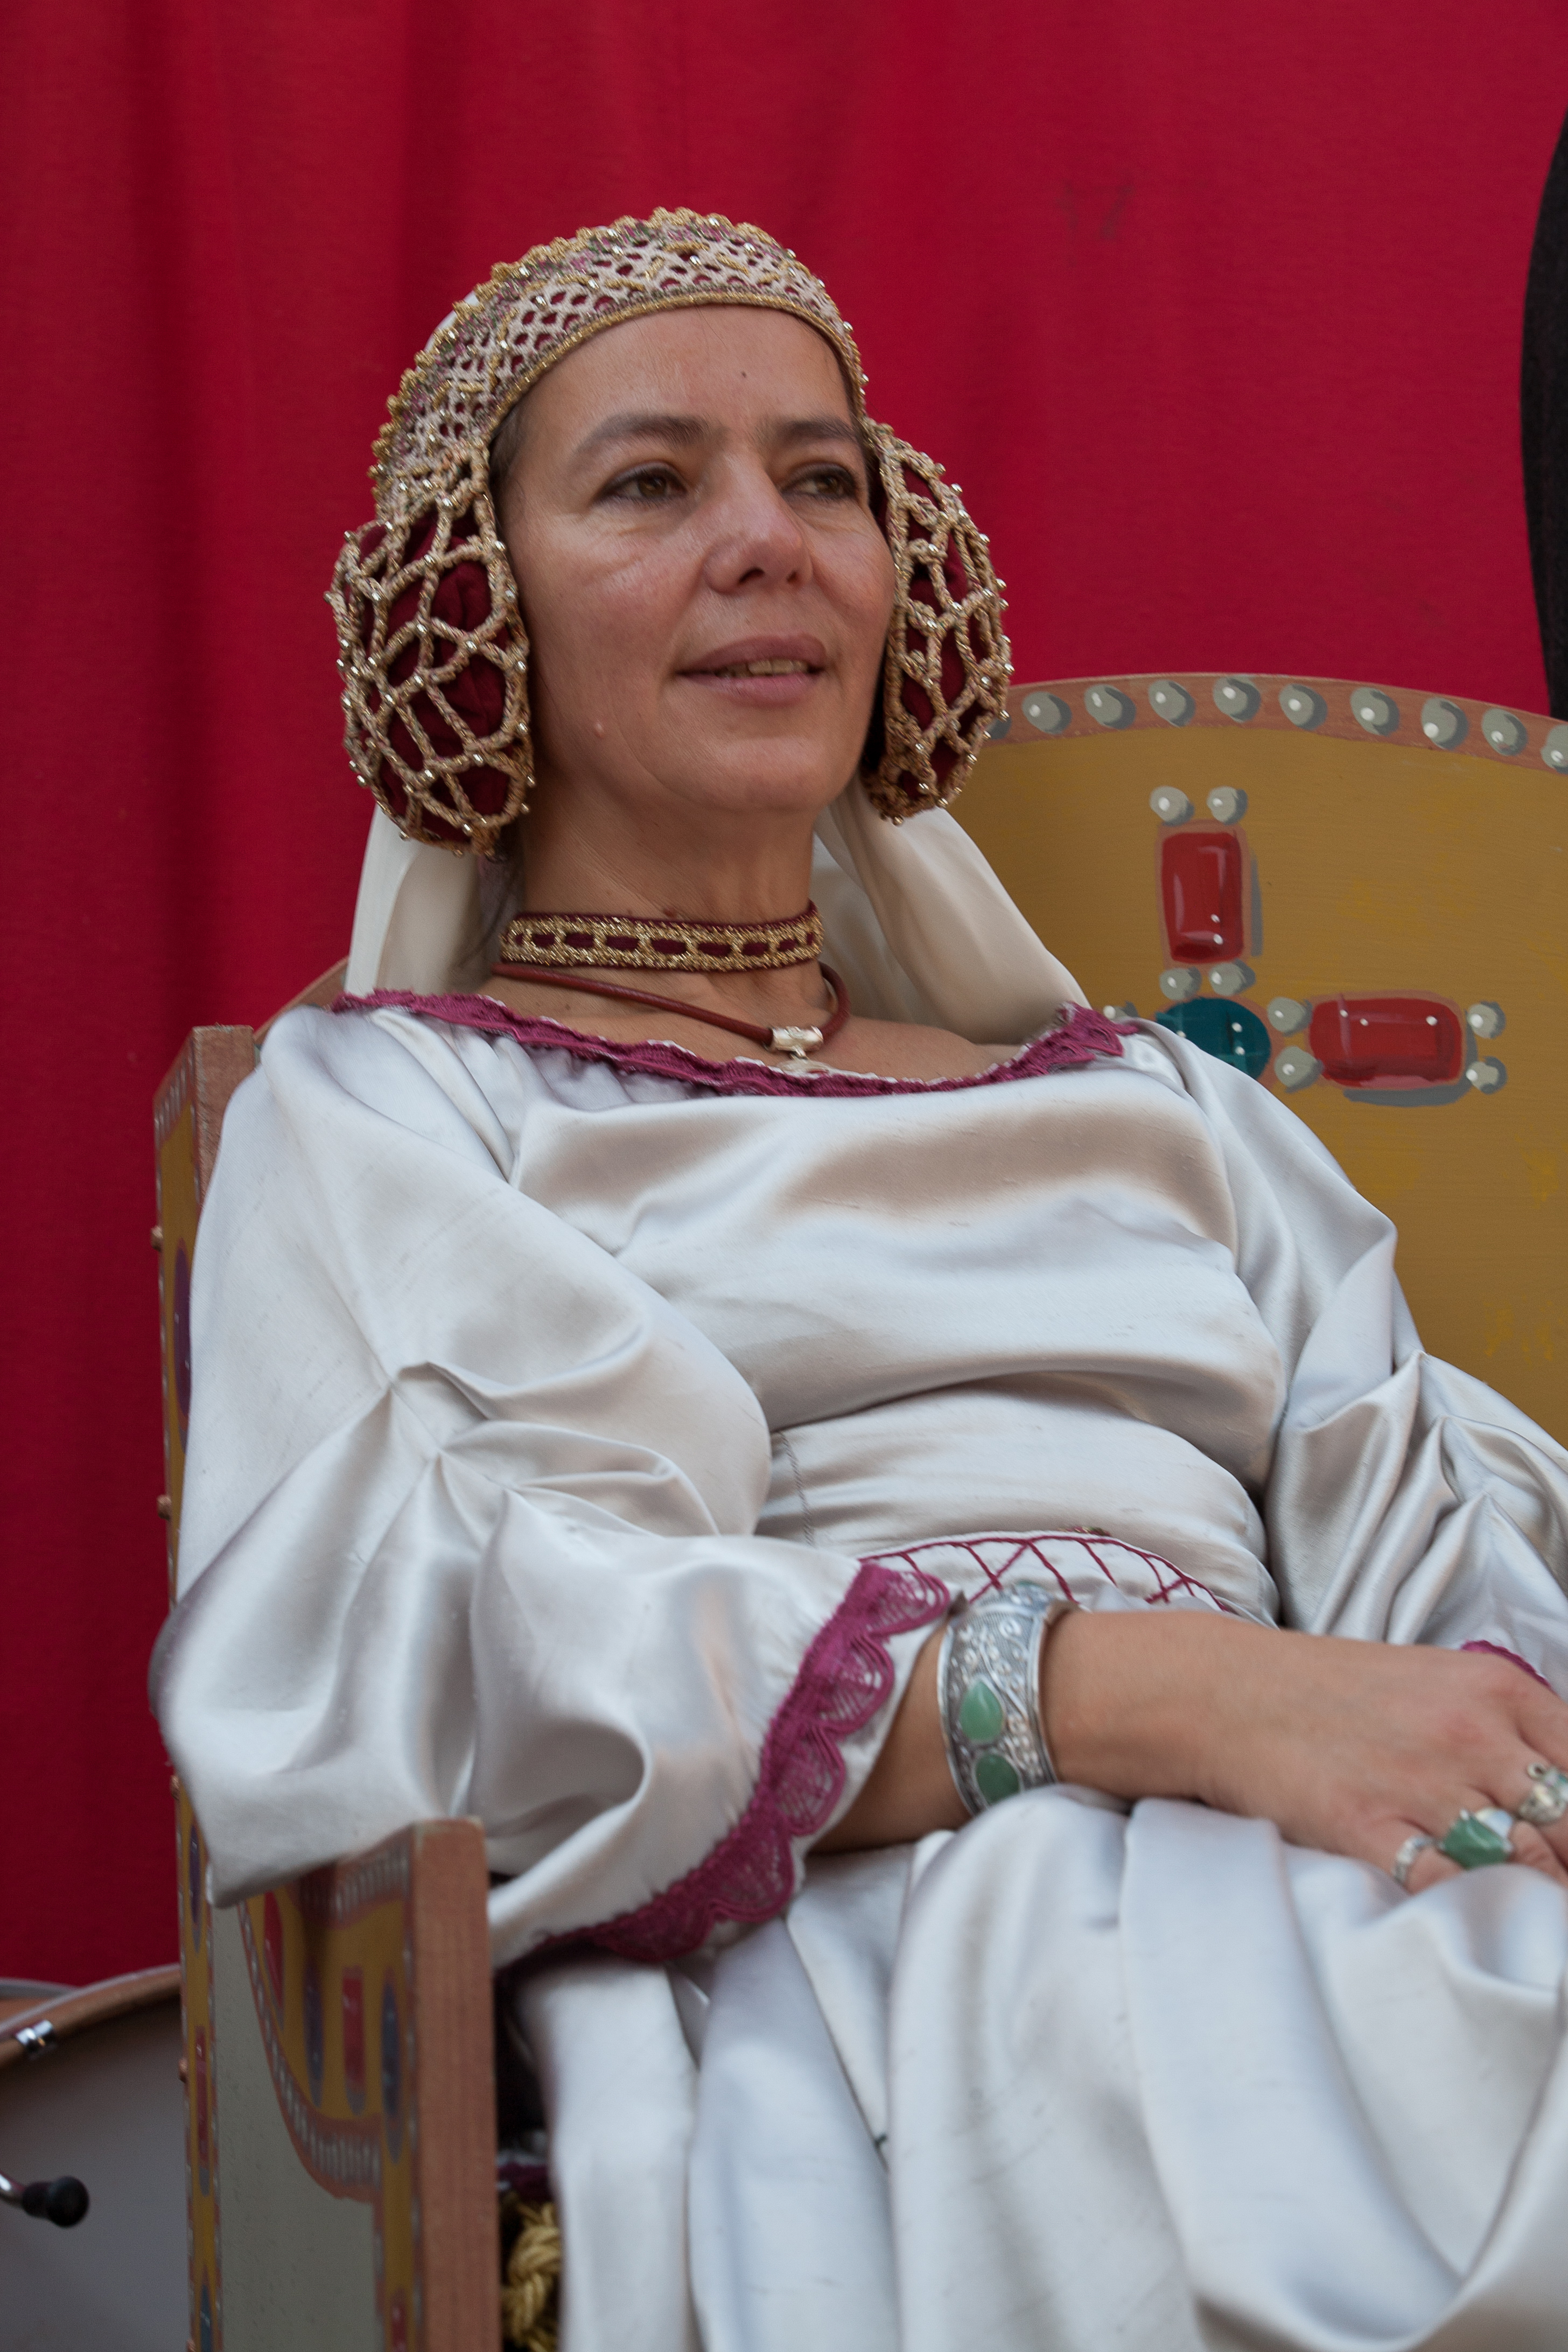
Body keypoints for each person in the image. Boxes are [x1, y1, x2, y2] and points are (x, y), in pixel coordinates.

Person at [153, 211, 1568, 2351]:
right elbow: (411, 1653)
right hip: (867, 1927)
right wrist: (1123, 1695)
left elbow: (1438, 1566)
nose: (769, 543)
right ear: (473, 605)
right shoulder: (392, 1113)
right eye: (650, 484)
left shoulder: (1162, 1110)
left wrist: (1416, 1745)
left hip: (1341, 1850)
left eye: (823, 480)